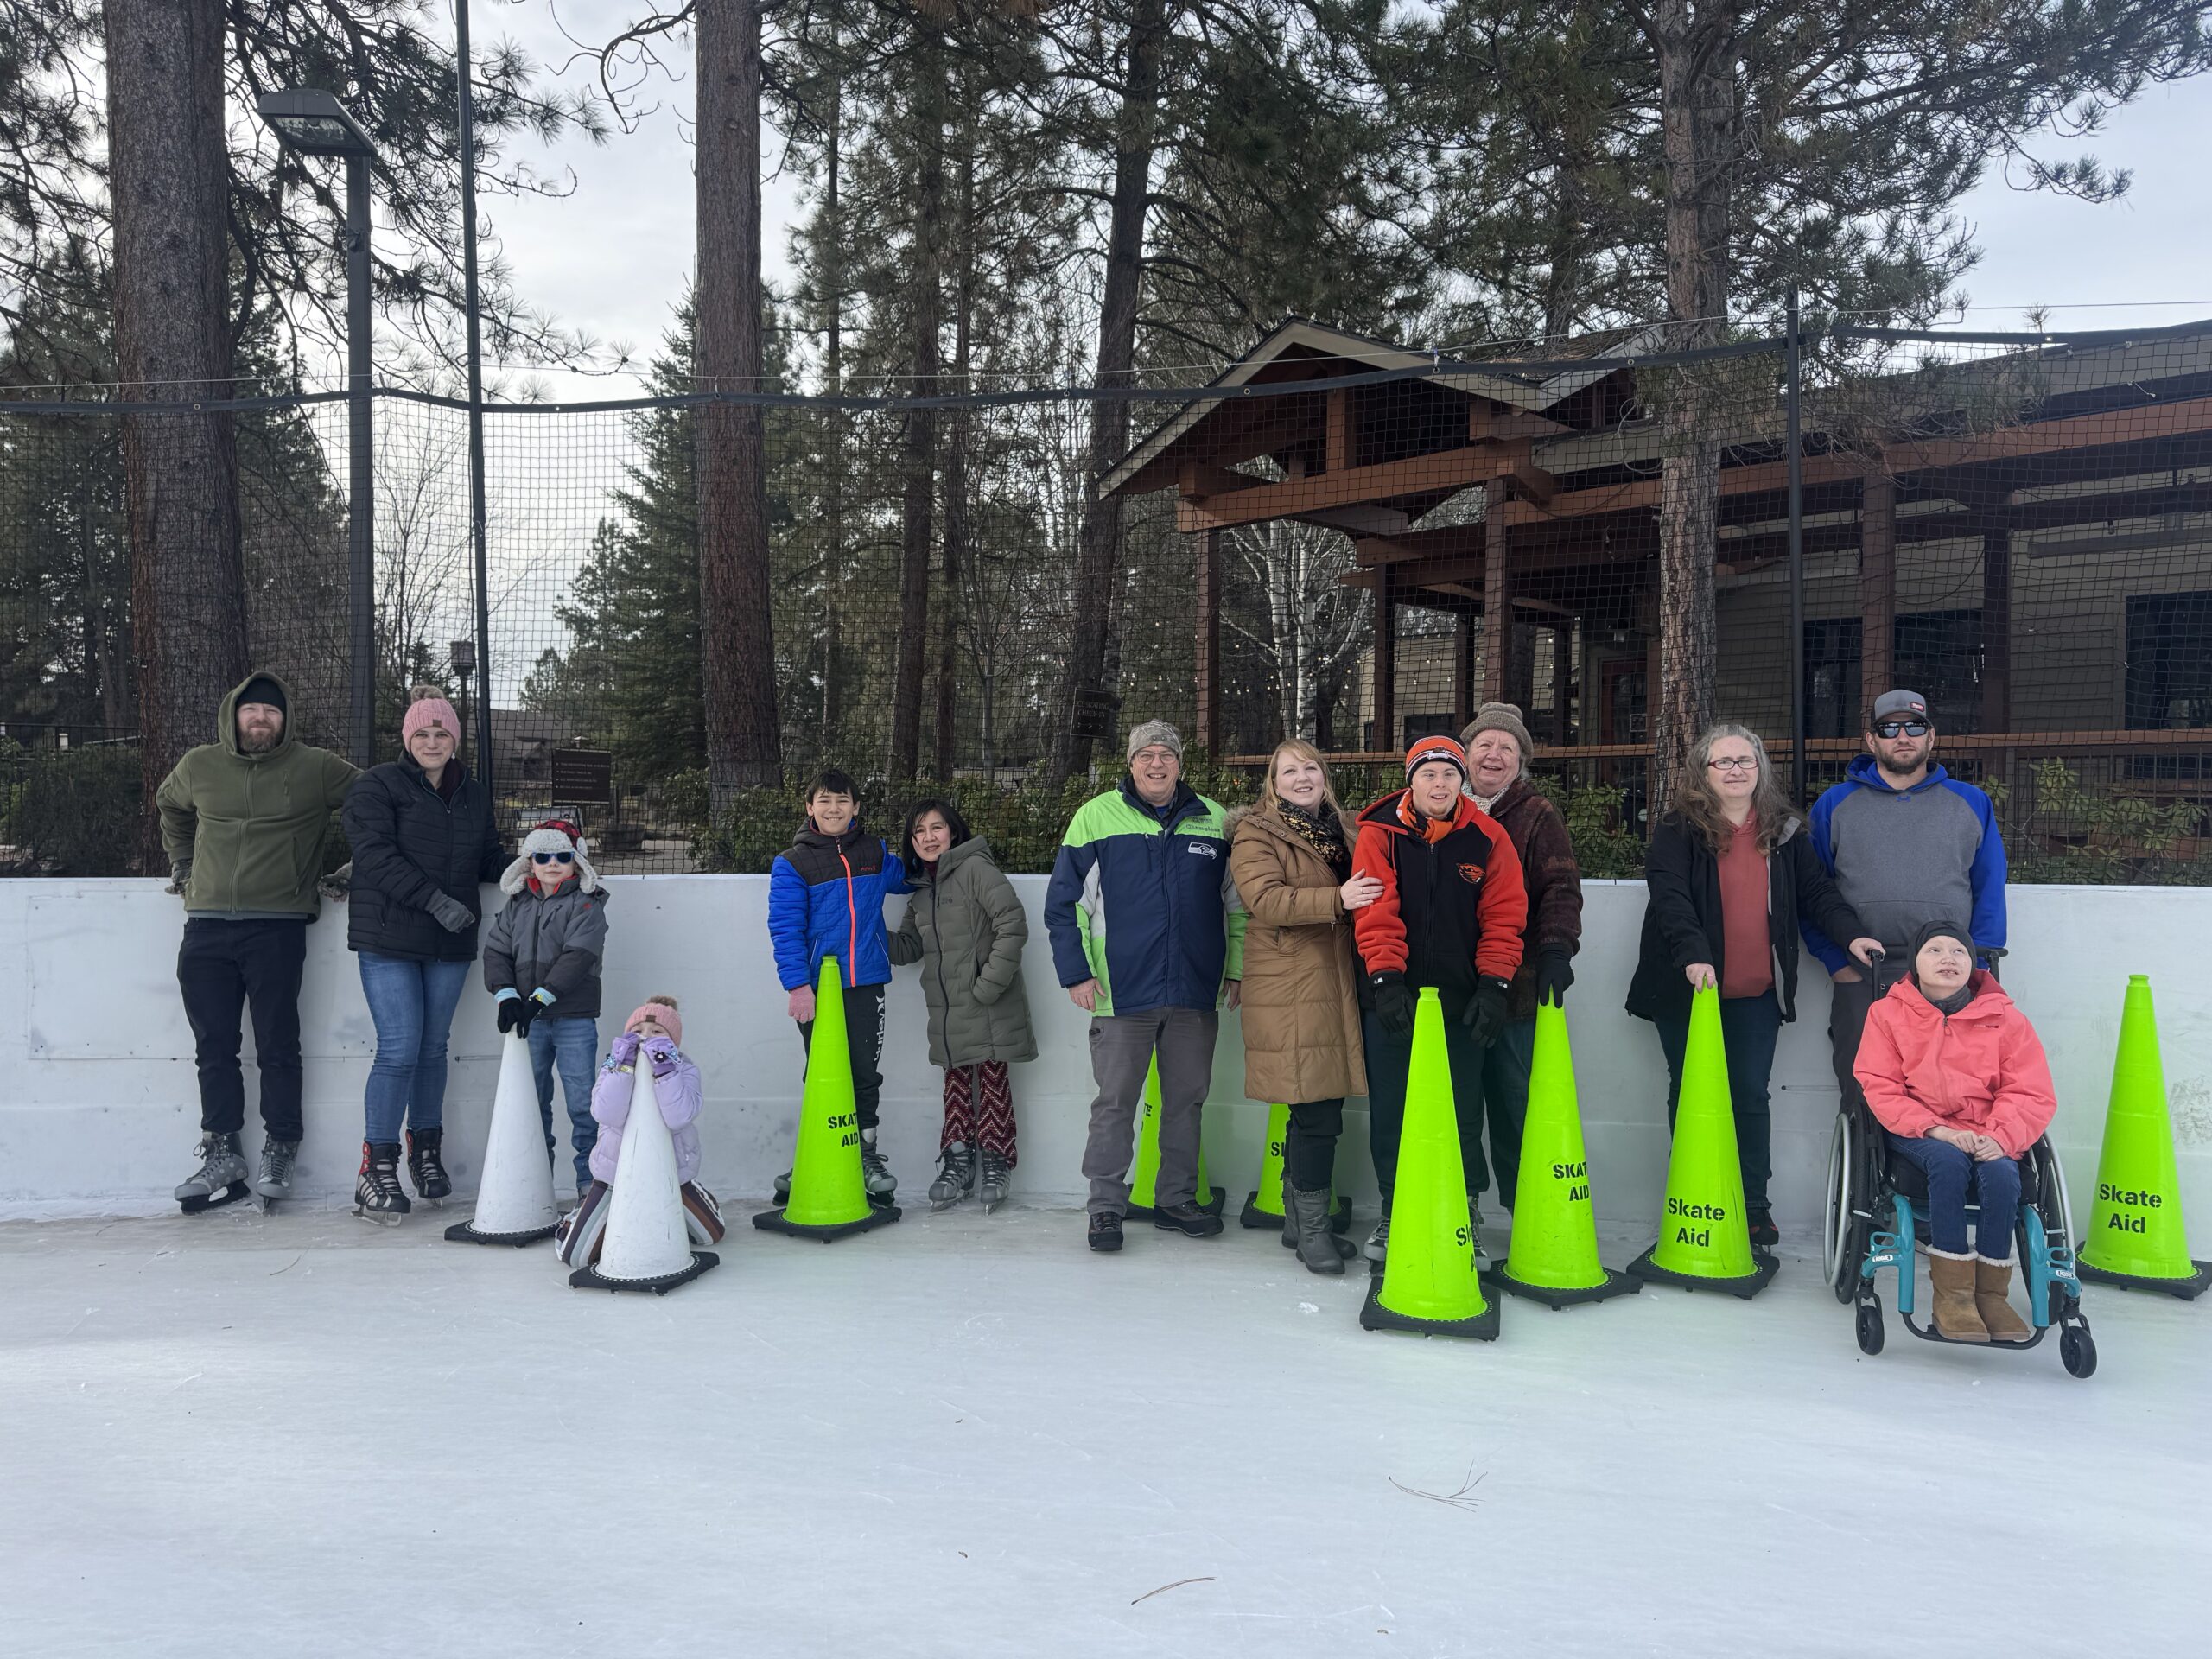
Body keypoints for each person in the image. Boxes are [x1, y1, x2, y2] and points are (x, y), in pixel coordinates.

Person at [1626, 723, 1884, 1249]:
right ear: (1703, 771)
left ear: (1761, 768)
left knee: (1748, 1096)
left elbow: (1818, 894)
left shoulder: (1785, 832)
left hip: (1756, 994)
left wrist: (1852, 936)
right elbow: (1669, 896)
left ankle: (1753, 1208)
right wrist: (1693, 955)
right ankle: (1695, 1199)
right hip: (1686, 991)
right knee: (1693, 1095)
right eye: (1724, 762)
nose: (1736, 770)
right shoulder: (1679, 828)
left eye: (1746, 760)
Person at [156, 671, 359, 1211]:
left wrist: (357, 866)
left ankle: (280, 1146)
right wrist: (182, 862)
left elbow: (379, 802)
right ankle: (222, 1151)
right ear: (233, 715)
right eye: (252, 711)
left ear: (285, 720)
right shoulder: (199, 765)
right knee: (213, 1047)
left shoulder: (315, 767)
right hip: (205, 925)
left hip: (277, 925)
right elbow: (169, 805)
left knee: (276, 1044)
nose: (261, 719)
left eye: (271, 712)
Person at [1046, 720, 1244, 1253]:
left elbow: (1238, 906)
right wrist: (1078, 973)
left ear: (1181, 764)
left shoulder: (1214, 820)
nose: (1156, 764)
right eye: (1146, 755)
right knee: (1114, 1103)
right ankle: (1106, 1207)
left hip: (1193, 992)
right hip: (1119, 994)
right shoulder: (1094, 817)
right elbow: (1066, 906)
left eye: (1166, 755)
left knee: (1187, 1101)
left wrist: (1237, 968)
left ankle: (1175, 1198)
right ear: (1130, 763)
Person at [1351, 734, 1529, 1264]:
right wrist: (1385, 980)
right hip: (1393, 996)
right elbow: (1375, 908)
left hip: (1462, 1000)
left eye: (1450, 775)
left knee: (1463, 1106)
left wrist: (1495, 985)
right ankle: (1394, 1207)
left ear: (1462, 781)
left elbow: (1504, 915)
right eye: (1429, 774)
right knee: (1394, 1106)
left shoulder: (1488, 836)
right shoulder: (1378, 833)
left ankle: (1465, 1209)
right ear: (1412, 781)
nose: (1440, 784)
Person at [340, 686, 505, 1221]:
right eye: (422, 733)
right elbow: (374, 857)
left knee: (434, 1048)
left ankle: (425, 1152)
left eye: (442, 733)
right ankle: (376, 1167)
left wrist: (540, 864)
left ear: (455, 740)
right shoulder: (378, 787)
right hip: (390, 936)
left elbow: (487, 856)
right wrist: (437, 901)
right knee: (399, 1048)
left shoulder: (473, 793)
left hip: (449, 940)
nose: (432, 742)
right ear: (406, 739)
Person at [1802, 689, 2008, 1120]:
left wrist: (1979, 964)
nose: (1902, 736)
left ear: (1931, 737)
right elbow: (1812, 891)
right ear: (1871, 739)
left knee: (1958, 1093)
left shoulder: (1970, 803)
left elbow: (1989, 885)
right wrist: (1834, 962)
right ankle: (1871, 1185)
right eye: (1888, 728)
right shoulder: (1834, 804)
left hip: (1950, 971)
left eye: (1914, 726)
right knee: (1864, 1094)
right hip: (1862, 969)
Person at [1853, 921, 2054, 1343]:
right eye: (1935, 950)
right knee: (1946, 1162)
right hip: (1917, 1129)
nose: (1948, 958)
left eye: (1959, 952)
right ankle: (1953, 1297)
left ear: (1972, 964)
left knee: (2002, 1173)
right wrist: (1939, 1131)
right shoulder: (1886, 1014)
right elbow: (1880, 1085)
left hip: (1987, 1130)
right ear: (1915, 964)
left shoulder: (2007, 1021)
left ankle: (1991, 1296)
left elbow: (2029, 1091)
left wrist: (1999, 1137)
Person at [1227, 741, 1378, 1274]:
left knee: (1310, 1110)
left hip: (1331, 979)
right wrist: (1340, 899)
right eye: (1289, 770)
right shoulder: (1256, 833)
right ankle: (1313, 1230)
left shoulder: (1346, 828)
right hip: (1292, 987)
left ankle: (1299, 1223)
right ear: (1273, 783)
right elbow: (1263, 900)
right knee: (1317, 1113)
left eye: (1310, 767)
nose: (1302, 776)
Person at [1458, 701, 1583, 1210]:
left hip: (1518, 989)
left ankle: (1528, 1210)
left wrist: (1556, 949)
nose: (1493, 755)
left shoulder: (1537, 814)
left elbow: (1560, 886)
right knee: (1459, 1107)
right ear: (1465, 753)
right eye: (1484, 744)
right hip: (1452, 989)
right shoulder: (1440, 803)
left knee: (1517, 1104)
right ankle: (1461, 1208)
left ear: (1521, 761)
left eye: (1506, 748)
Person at [889, 799, 1035, 1212]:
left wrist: (988, 985)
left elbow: (1013, 923)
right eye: (919, 832)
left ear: (953, 832)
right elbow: (907, 948)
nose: (929, 837)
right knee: (955, 1088)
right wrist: (860, 931)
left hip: (987, 1005)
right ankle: (957, 1162)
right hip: (947, 1012)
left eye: (937, 828)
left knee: (991, 1083)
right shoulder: (921, 891)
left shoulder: (976, 870)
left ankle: (996, 1161)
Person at [767, 769, 907, 1201]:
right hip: (817, 989)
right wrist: (797, 986)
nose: (834, 809)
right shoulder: (792, 862)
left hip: (866, 983)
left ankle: (865, 1156)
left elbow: (909, 878)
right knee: (824, 1075)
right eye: (824, 801)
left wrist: (944, 855)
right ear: (810, 807)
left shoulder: (875, 851)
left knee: (865, 1073)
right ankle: (814, 1154)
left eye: (842, 801)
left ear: (856, 808)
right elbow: (785, 927)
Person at [481, 817, 611, 1212]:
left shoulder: (588, 905)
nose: (552, 863)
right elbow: (496, 952)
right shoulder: (516, 906)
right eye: (542, 856)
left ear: (577, 861)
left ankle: (591, 1186)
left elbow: (578, 957)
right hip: (528, 1022)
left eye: (562, 856)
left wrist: (540, 997)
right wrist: (507, 997)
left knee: (583, 1105)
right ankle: (534, 1182)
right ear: (529, 863)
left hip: (573, 1018)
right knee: (531, 1102)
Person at [556, 997, 725, 1267]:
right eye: (638, 1031)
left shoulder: (685, 1067)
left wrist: (665, 1070)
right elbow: (607, 1114)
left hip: (670, 1174)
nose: (646, 1038)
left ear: (674, 1041)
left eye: (657, 1032)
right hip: (614, 1177)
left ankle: (697, 1195)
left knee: (710, 1235)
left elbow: (678, 1116)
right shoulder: (614, 1064)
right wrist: (623, 1067)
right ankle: (582, 1214)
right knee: (577, 1257)